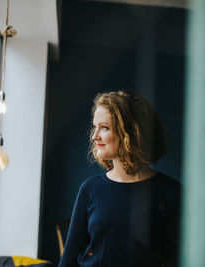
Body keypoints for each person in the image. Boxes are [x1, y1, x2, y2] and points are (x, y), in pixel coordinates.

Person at [58, 91, 181, 267]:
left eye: (104, 127)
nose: (94, 136)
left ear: (131, 132)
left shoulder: (171, 192)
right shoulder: (90, 189)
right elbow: (69, 259)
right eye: (95, 127)